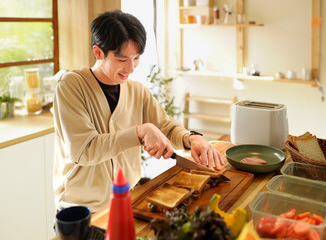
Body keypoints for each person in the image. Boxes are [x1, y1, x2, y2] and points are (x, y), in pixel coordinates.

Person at [53, 10, 224, 213]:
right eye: (122, 59)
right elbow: (83, 150)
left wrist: (190, 139)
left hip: (127, 200)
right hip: (81, 210)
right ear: (98, 53)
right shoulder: (71, 85)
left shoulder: (136, 90)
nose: (131, 67)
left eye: (136, 58)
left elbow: (166, 127)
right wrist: (139, 132)